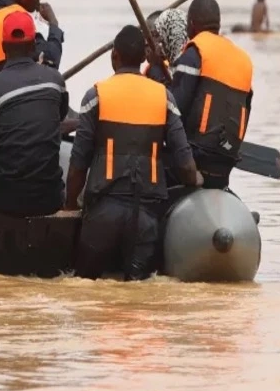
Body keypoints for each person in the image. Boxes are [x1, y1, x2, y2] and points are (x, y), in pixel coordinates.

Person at [65, 26, 200, 281]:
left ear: (114, 56)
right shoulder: (165, 98)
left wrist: (70, 203)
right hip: (146, 217)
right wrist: (197, 180)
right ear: (142, 59)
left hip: (103, 214)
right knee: (138, 290)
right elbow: (185, 164)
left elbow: (78, 163)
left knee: (85, 284)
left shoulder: (95, 97)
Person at [0, 10, 70, 216]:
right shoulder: (55, 80)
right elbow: (59, 118)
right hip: (50, 198)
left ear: (3, 47)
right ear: (34, 44)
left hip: (7, 202)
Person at [169, 0, 254, 191]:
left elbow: (174, 109)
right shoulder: (244, 61)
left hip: (195, 158)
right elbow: (246, 112)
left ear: (191, 24)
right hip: (226, 161)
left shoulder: (195, 52)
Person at [145, 7, 188, 84]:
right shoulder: (152, 69)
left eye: (155, 35)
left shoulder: (187, 65)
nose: (146, 43)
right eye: (145, 36)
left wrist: (155, 67)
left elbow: (170, 94)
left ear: (169, 34)